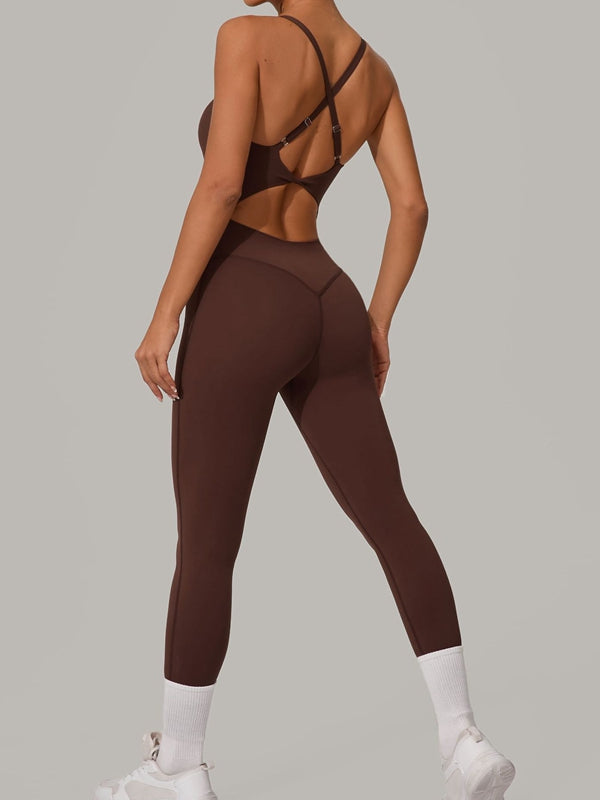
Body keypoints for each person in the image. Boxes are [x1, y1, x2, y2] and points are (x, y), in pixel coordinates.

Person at [94, 2, 516, 799]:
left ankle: (180, 765)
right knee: (393, 519)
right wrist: (377, 321)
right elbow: (413, 206)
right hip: (329, 298)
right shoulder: (376, 72)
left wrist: (165, 313)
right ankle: (463, 740)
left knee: (207, 545)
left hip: (245, 296)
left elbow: (223, 183)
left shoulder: (245, 36)